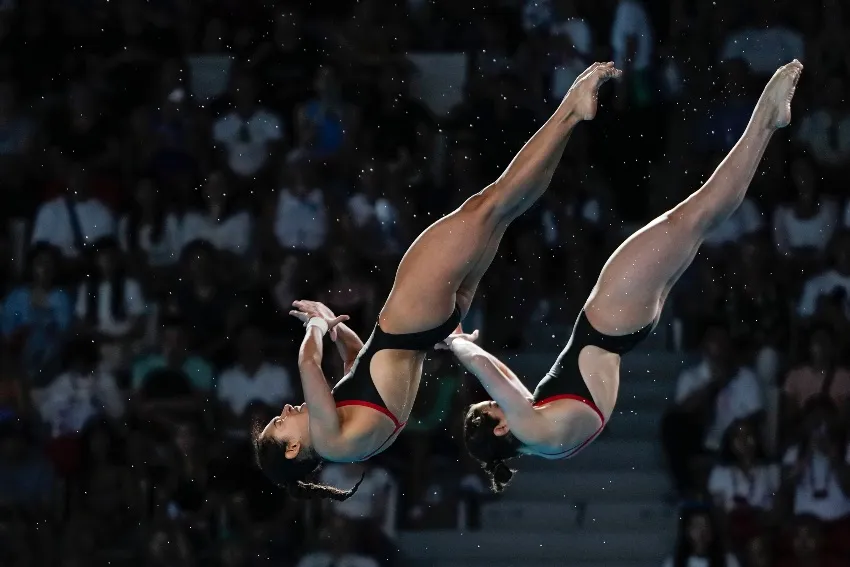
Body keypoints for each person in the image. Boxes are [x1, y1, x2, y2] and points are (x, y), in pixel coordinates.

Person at [253, 62, 623, 500]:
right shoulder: (331, 440)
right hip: (409, 318)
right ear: (294, 448)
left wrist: (339, 333)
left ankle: (571, 120)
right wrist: (316, 323)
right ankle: (570, 111)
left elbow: (365, 370)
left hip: (428, 327)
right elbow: (307, 366)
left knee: (503, 210)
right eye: (281, 423)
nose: (285, 410)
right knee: (492, 204)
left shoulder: (350, 442)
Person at [441, 60, 803, 492]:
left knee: (697, 222)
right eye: (494, 408)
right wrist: (456, 342)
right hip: (609, 319)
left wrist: (469, 349)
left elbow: (508, 385)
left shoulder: (541, 437)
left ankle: (765, 123)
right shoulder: (529, 426)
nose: (502, 402)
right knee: (698, 214)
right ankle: (765, 120)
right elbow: (493, 376)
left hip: (624, 330)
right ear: (500, 428)